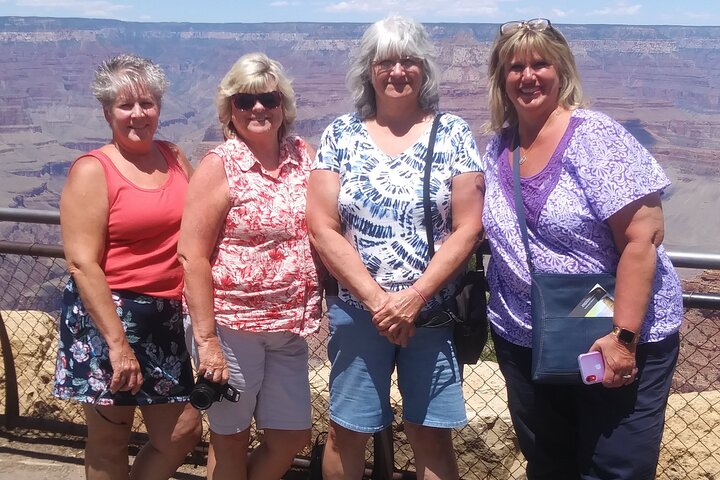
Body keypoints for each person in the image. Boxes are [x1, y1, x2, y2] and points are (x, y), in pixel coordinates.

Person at [482, 18, 683, 479]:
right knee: (549, 465)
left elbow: (643, 237)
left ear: (562, 70)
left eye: (540, 64)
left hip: (607, 335)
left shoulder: (595, 136)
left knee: (614, 469)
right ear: (501, 78)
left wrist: (624, 338)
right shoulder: (499, 146)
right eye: (515, 67)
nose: (527, 76)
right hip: (527, 338)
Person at [307, 16, 485, 480]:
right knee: (347, 432)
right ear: (369, 69)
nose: (398, 71)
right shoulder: (340, 135)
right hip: (359, 311)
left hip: (430, 313)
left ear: (424, 69)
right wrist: (378, 301)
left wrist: (414, 298)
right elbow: (322, 226)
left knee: (431, 434)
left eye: (409, 60)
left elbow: (468, 227)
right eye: (385, 61)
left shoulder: (453, 133)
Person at [52, 54, 201, 480]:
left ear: (159, 107)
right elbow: (82, 263)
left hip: (165, 316)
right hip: (109, 318)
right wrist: (117, 345)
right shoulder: (92, 170)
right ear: (107, 112)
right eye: (125, 105)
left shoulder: (173, 156)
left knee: (183, 431)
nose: (138, 114)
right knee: (110, 439)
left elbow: (201, 222)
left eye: (147, 103)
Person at [177, 52, 323, 480]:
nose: (258, 108)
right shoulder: (219, 165)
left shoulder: (303, 154)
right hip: (231, 327)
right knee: (230, 439)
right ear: (230, 109)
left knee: (292, 435)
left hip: (288, 327)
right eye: (245, 100)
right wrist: (207, 341)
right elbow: (192, 255)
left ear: (283, 105)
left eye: (268, 98)